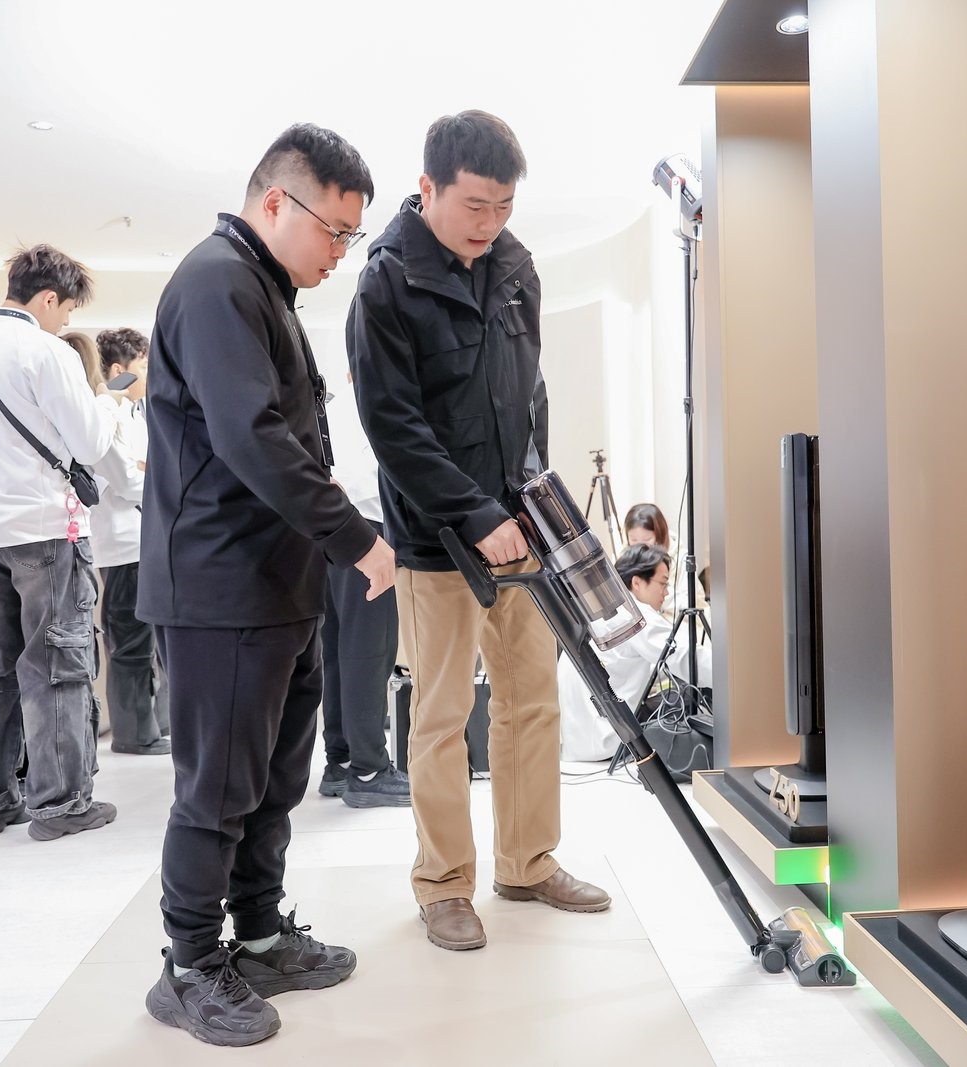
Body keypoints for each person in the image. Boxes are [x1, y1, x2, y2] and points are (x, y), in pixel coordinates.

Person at [138, 124, 394, 1048]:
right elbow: (252, 438)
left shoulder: (263, 287)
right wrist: (355, 536)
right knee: (217, 786)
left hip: (276, 582)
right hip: (221, 586)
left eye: (352, 235)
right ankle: (188, 964)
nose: (341, 251)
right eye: (335, 230)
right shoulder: (217, 282)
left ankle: (254, 933)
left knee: (275, 777)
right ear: (277, 201)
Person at [348, 110, 610, 954]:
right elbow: (393, 427)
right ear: (427, 188)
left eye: (503, 206)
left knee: (532, 699)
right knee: (442, 710)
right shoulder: (386, 284)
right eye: (474, 205)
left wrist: (530, 492)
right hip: (437, 539)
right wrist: (472, 512)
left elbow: (529, 392)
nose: (490, 222)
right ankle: (444, 883)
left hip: (517, 528)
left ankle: (527, 862)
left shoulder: (516, 268)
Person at [0, 245, 117, 841]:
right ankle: (61, 805)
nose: (65, 322)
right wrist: (107, 404)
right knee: (56, 668)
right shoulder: (45, 350)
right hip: (44, 529)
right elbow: (89, 443)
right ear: (48, 298)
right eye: (66, 310)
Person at [318, 370, 408, 807]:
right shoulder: (374, 404)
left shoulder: (331, 407)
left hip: (331, 534)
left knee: (338, 652)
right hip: (367, 534)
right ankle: (369, 769)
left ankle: (339, 761)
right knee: (369, 653)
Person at [85, 327, 170, 755]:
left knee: (151, 642)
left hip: (144, 540)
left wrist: (147, 470)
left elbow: (148, 469)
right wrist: (148, 472)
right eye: (144, 367)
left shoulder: (135, 412)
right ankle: (134, 735)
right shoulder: (106, 414)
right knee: (130, 643)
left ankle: (154, 725)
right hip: (121, 547)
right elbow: (127, 481)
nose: (152, 375)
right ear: (119, 370)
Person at [556, 543, 712, 761]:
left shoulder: (600, 611)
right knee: (689, 693)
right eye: (663, 583)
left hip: (577, 745)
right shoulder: (632, 614)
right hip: (608, 740)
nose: (666, 593)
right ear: (637, 582)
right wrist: (734, 679)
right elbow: (683, 656)